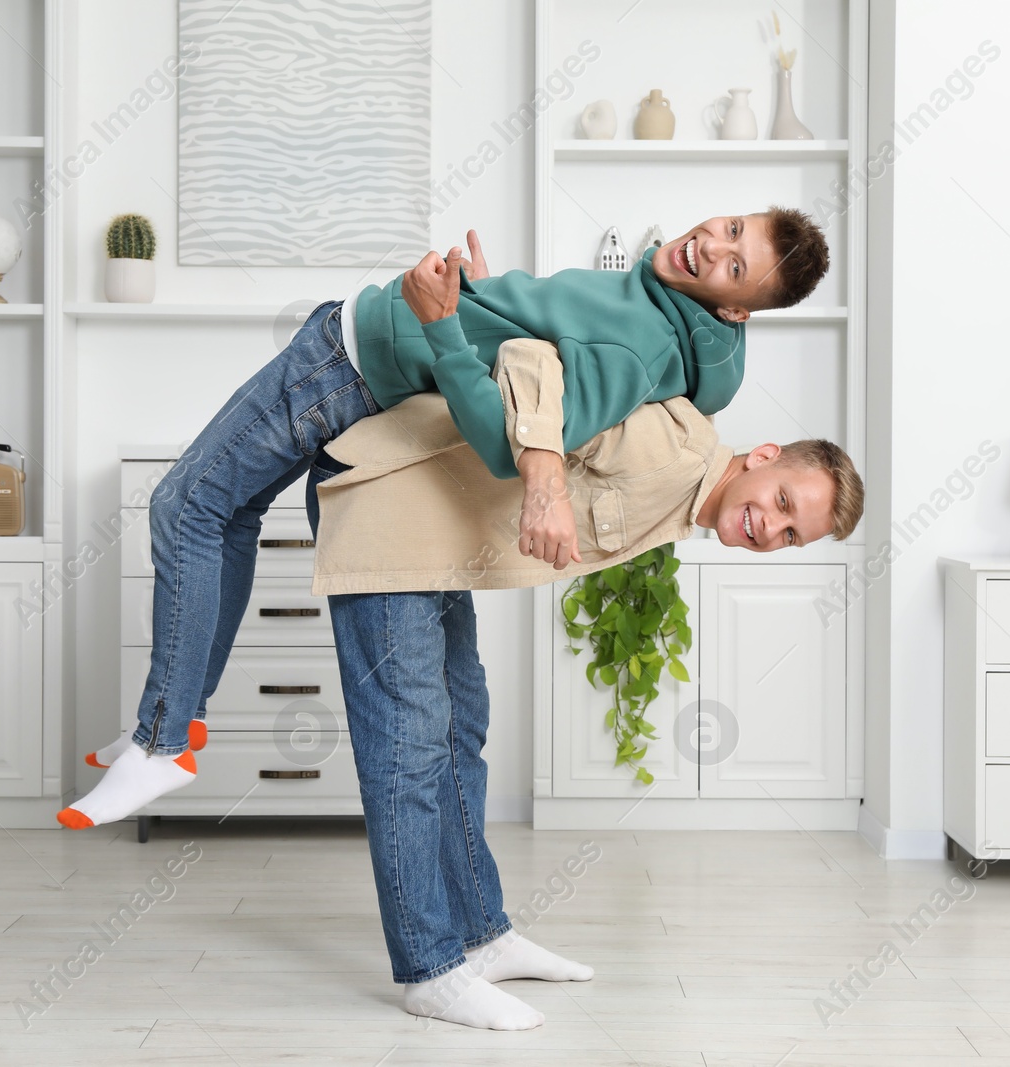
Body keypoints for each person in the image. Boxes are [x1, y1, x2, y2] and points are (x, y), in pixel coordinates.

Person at [60, 210, 832, 828]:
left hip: (352, 359)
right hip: (362, 356)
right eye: (731, 228)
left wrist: (447, 332)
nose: (712, 246)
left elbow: (515, 441)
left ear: (735, 309)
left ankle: (163, 740)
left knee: (185, 505)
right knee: (227, 511)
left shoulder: (639, 342)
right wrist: (490, 304)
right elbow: (535, 355)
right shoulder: (655, 308)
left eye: (735, 265)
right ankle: (176, 721)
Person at [297, 336, 864, 1029]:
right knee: (408, 746)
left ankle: (482, 933)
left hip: (438, 537)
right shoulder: (677, 446)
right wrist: (546, 488)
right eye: (780, 500)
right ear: (766, 455)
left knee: (460, 727)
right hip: (386, 506)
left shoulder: (686, 501)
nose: (769, 526)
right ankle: (429, 968)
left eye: (789, 534)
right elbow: (533, 355)